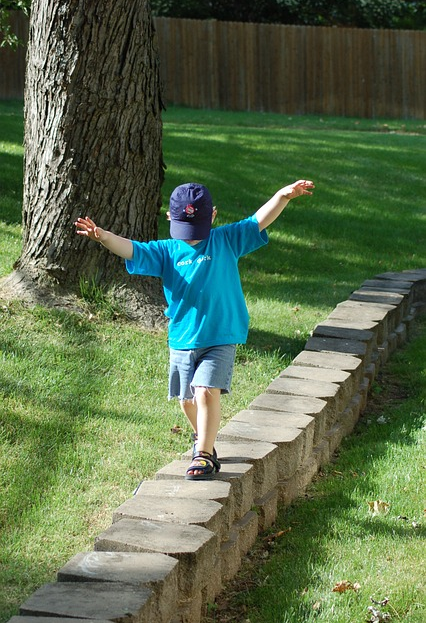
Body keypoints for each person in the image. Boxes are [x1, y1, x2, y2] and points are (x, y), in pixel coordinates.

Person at [75, 179, 314, 480]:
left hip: (220, 336)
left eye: (197, 230)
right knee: (186, 400)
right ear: (170, 219)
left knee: (204, 391)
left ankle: (202, 454)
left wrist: (283, 196)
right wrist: (104, 236)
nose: (190, 239)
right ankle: (206, 444)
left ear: (213, 216)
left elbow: (257, 221)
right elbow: (132, 250)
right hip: (182, 338)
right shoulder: (165, 251)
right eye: (185, 231)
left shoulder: (226, 240)